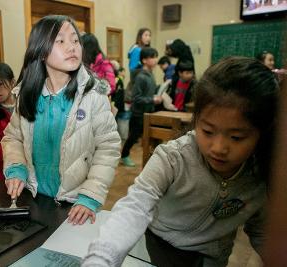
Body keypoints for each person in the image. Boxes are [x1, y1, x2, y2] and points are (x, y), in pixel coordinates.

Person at [82, 57, 279, 267]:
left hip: (212, 259)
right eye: (208, 131)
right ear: (196, 120)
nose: (219, 147)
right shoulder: (173, 157)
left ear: (263, 133)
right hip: (158, 247)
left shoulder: (263, 174)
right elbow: (135, 206)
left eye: (237, 137)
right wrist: (101, 258)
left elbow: (263, 231)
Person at [1, 15, 121, 225]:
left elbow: (108, 148)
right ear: (41, 50)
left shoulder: (93, 96)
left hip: (76, 204)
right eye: (61, 41)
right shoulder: (27, 95)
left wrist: (89, 196)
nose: (72, 47)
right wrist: (16, 168)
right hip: (35, 198)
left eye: (75, 40)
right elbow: (13, 138)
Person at [120, 47, 161, 167]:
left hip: (148, 111)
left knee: (147, 137)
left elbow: (147, 93)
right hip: (139, 113)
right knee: (133, 137)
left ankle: (150, 158)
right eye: (152, 57)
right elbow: (136, 98)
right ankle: (124, 155)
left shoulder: (150, 74)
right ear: (144, 60)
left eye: (155, 56)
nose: (155, 59)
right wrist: (152, 99)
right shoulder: (141, 76)